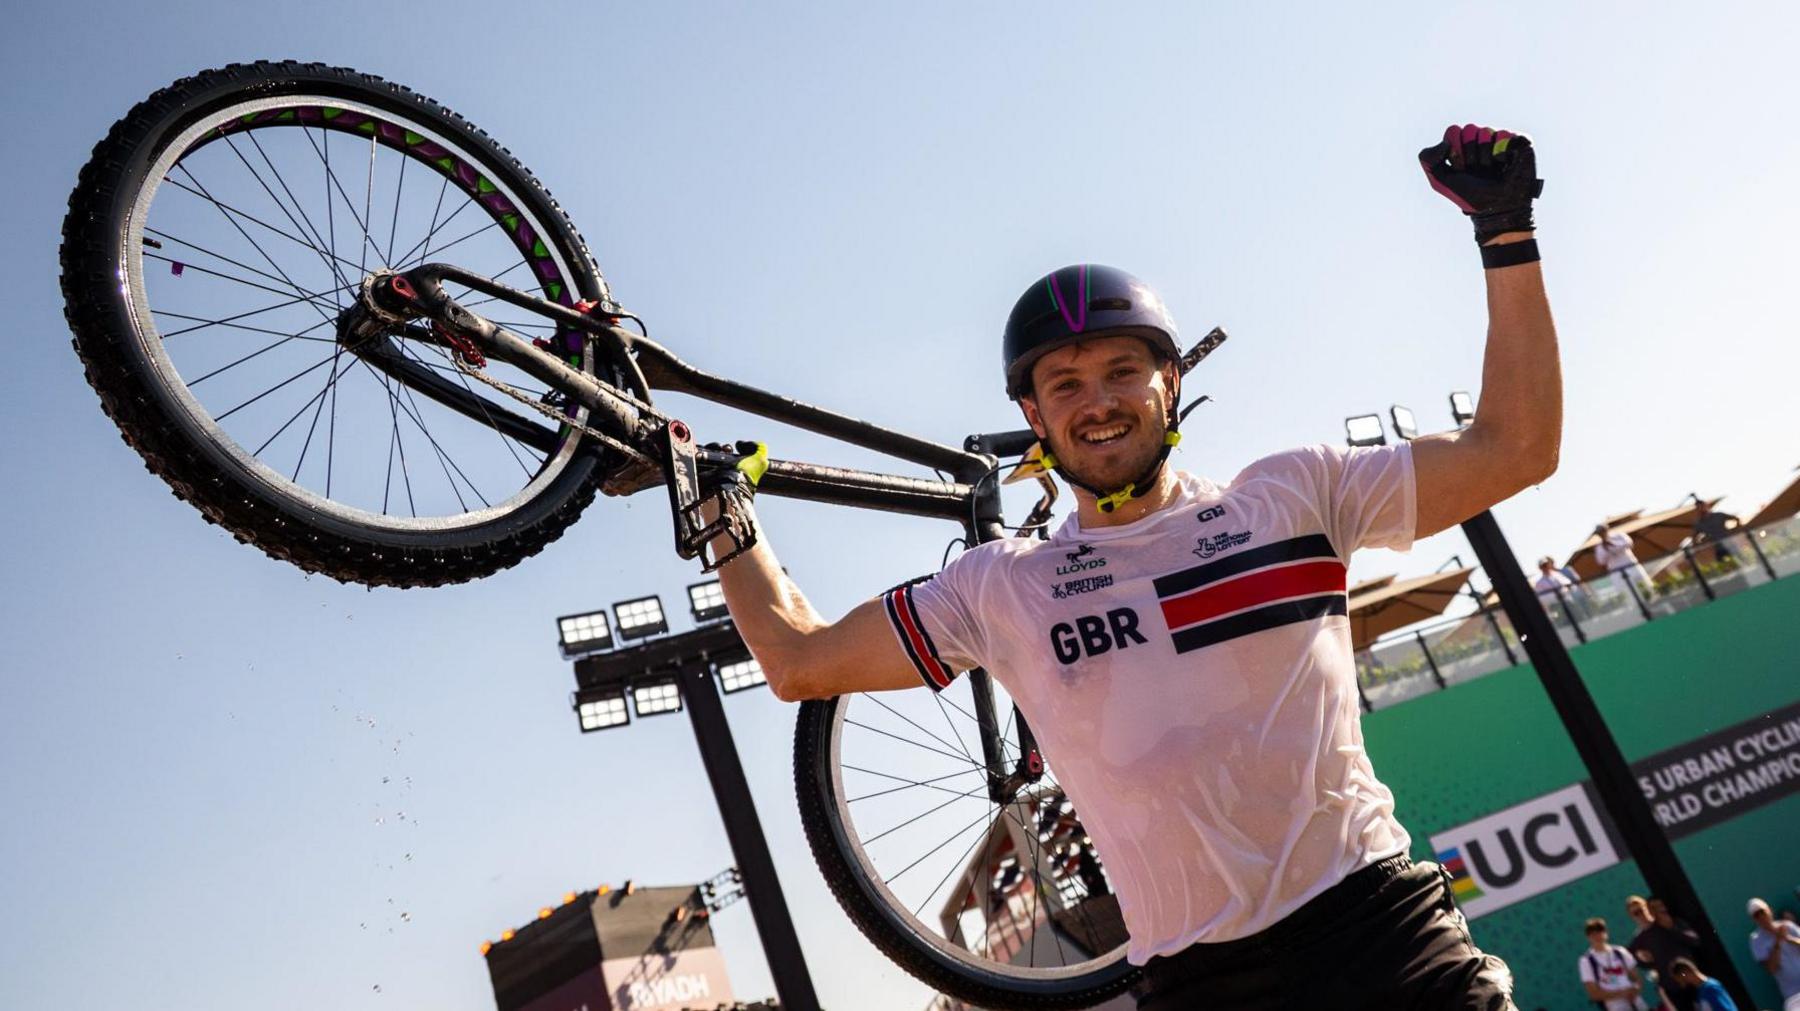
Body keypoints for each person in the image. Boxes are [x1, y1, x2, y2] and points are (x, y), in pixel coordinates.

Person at [706, 123, 1556, 1010]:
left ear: (1170, 383)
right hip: (1201, 984)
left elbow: (1517, 449)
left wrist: (1505, 233)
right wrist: (725, 514)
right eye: (1066, 385)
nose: (1099, 402)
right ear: (1035, 417)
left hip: (1383, 938)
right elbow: (798, 660)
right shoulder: (1003, 587)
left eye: (1122, 371)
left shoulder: (1295, 497)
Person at [1628, 895, 1705, 1011]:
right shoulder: (1637, 941)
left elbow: (1695, 940)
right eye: (1636, 913)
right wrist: (1643, 960)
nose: (1641, 914)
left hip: (1693, 980)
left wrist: (1672, 928)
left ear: (1648, 908)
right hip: (1673, 987)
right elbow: (1639, 964)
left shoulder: (1668, 922)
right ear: (1632, 917)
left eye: (1642, 909)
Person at [1580, 917, 1647, 1011]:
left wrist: (1635, 990)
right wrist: (1622, 993)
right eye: (1593, 934)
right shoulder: (1586, 961)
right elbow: (1593, 994)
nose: (1597, 936)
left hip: (1637, 1004)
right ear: (1588, 937)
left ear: (1606, 933)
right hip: (1614, 1007)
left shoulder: (1620, 951)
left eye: (1599, 932)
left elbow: (1637, 979)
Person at [1748, 897, 1800, 1010]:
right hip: (1793, 994)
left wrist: (1788, 938)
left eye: (1763, 912)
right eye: (1757, 915)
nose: (1762, 917)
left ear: (1769, 910)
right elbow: (1771, 968)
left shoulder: (1788, 926)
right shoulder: (1756, 940)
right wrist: (1777, 942)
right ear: (1754, 919)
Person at [1594, 522, 1653, 595]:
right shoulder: (1599, 547)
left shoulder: (1619, 535)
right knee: (1627, 593)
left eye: (1602, 531)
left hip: (1631, 566)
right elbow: (1601, 561)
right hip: (1617, 573)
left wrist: (1612, 545)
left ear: (1607, 529)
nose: (1601, 534)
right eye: (1599, 533)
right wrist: (1606, 550)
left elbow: (1629, 543)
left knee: (1646, 586)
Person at [1667, 958, 1739, 1011]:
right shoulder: (1701, 991)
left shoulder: (1711, 988)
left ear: (1685, 973)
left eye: (1680, 980)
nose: (1681, 984)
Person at [1690, 501, 1742, 567]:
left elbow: (1736, 519)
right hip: (1718, 548)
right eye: (1698, 507)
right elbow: (1694, 537)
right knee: (1724, 566)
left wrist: (1735, 530)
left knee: (1741, 560)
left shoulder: (1719, 515)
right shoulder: (1699, 523)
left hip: (1729, 543)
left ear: (1706, 506)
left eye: (1702, 506)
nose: (1701, 509)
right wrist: (1699, 545)